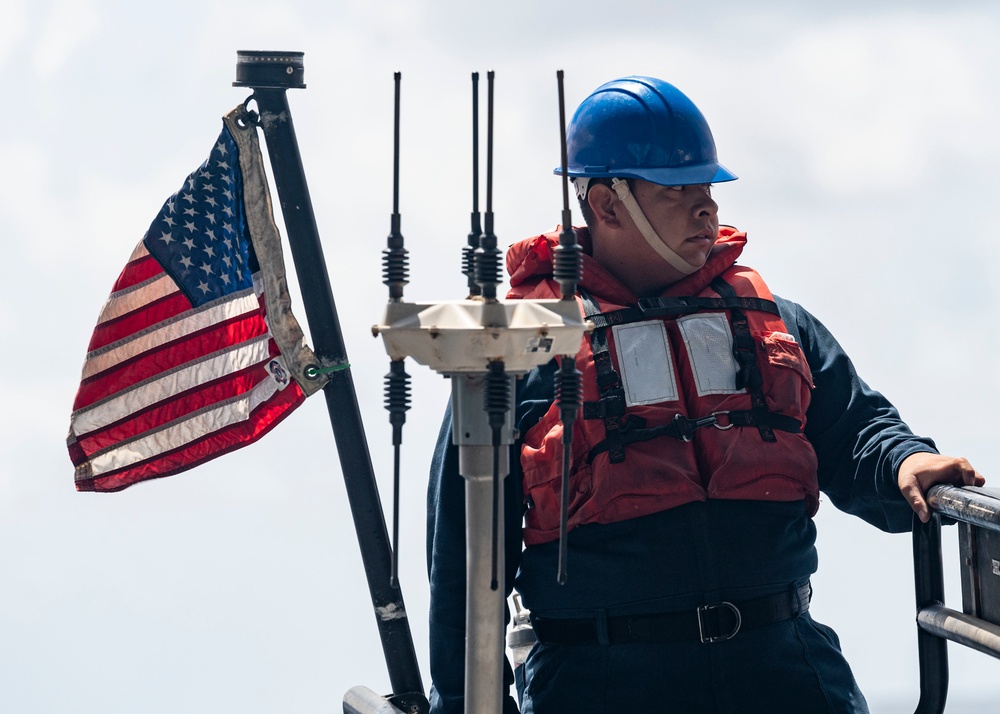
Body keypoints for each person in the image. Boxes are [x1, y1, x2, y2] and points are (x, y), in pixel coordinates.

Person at [426, 75, 984, 714]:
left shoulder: (775, 321)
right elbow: (464, 569)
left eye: (708, 187)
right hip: (602, 682)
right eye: (678, 188)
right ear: (607, 205)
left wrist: (907, 461)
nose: (706, 207)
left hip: (783, 662)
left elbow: (857, 429)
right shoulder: (519, 349)